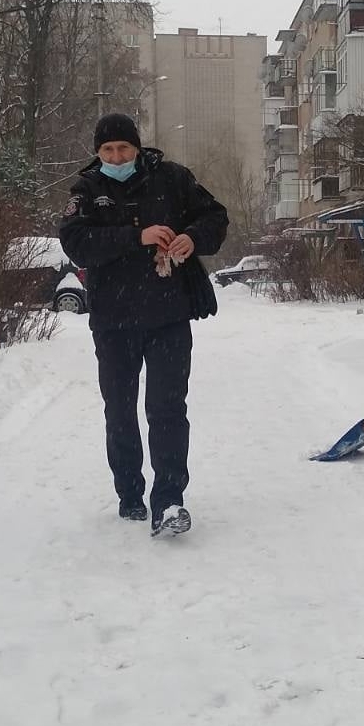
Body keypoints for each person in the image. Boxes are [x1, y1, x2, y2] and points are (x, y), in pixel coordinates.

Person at [59, 114, 228, 536]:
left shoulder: (172, 178)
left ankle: (169, 500)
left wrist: (193, 236)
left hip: (168, 317)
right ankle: (130, 493)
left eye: (123, 148)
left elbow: (215, 217)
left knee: (168, 409)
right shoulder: (87, 190)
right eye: (107, 151)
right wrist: (136, 237)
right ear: (98, 154)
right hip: (113, 322)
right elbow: (76, 244)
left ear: (137, 147)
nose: (116, 157)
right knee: (119, 410)